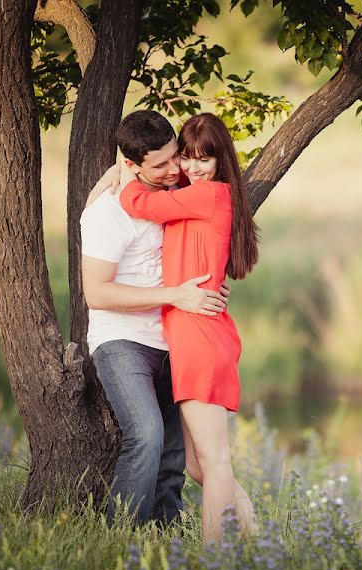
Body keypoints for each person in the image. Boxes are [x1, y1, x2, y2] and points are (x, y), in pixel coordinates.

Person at [80, 109, 230, 526]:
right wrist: (177, 296)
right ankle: (120, 538)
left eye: (175, 157)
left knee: (173, 455)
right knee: (145, 435)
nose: (174, 170)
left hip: (174, 338)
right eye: (161, 164)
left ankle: (167, 542)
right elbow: (96, 293)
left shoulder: (180, 188)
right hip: (123, 340)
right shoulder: (108, 212)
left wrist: (210, 284)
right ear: (132, 165)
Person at [116, 112, 259, 544]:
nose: (193, 168)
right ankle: (258, 538)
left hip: (199, 337)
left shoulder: (211, 195)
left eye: (204, 159)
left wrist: (125, 169)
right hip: (194, 332)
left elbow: (137, 202)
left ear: (220, 162)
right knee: (200, 466)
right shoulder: (196, 195)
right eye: (187, 158)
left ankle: (215, 561)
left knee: (215, 463)